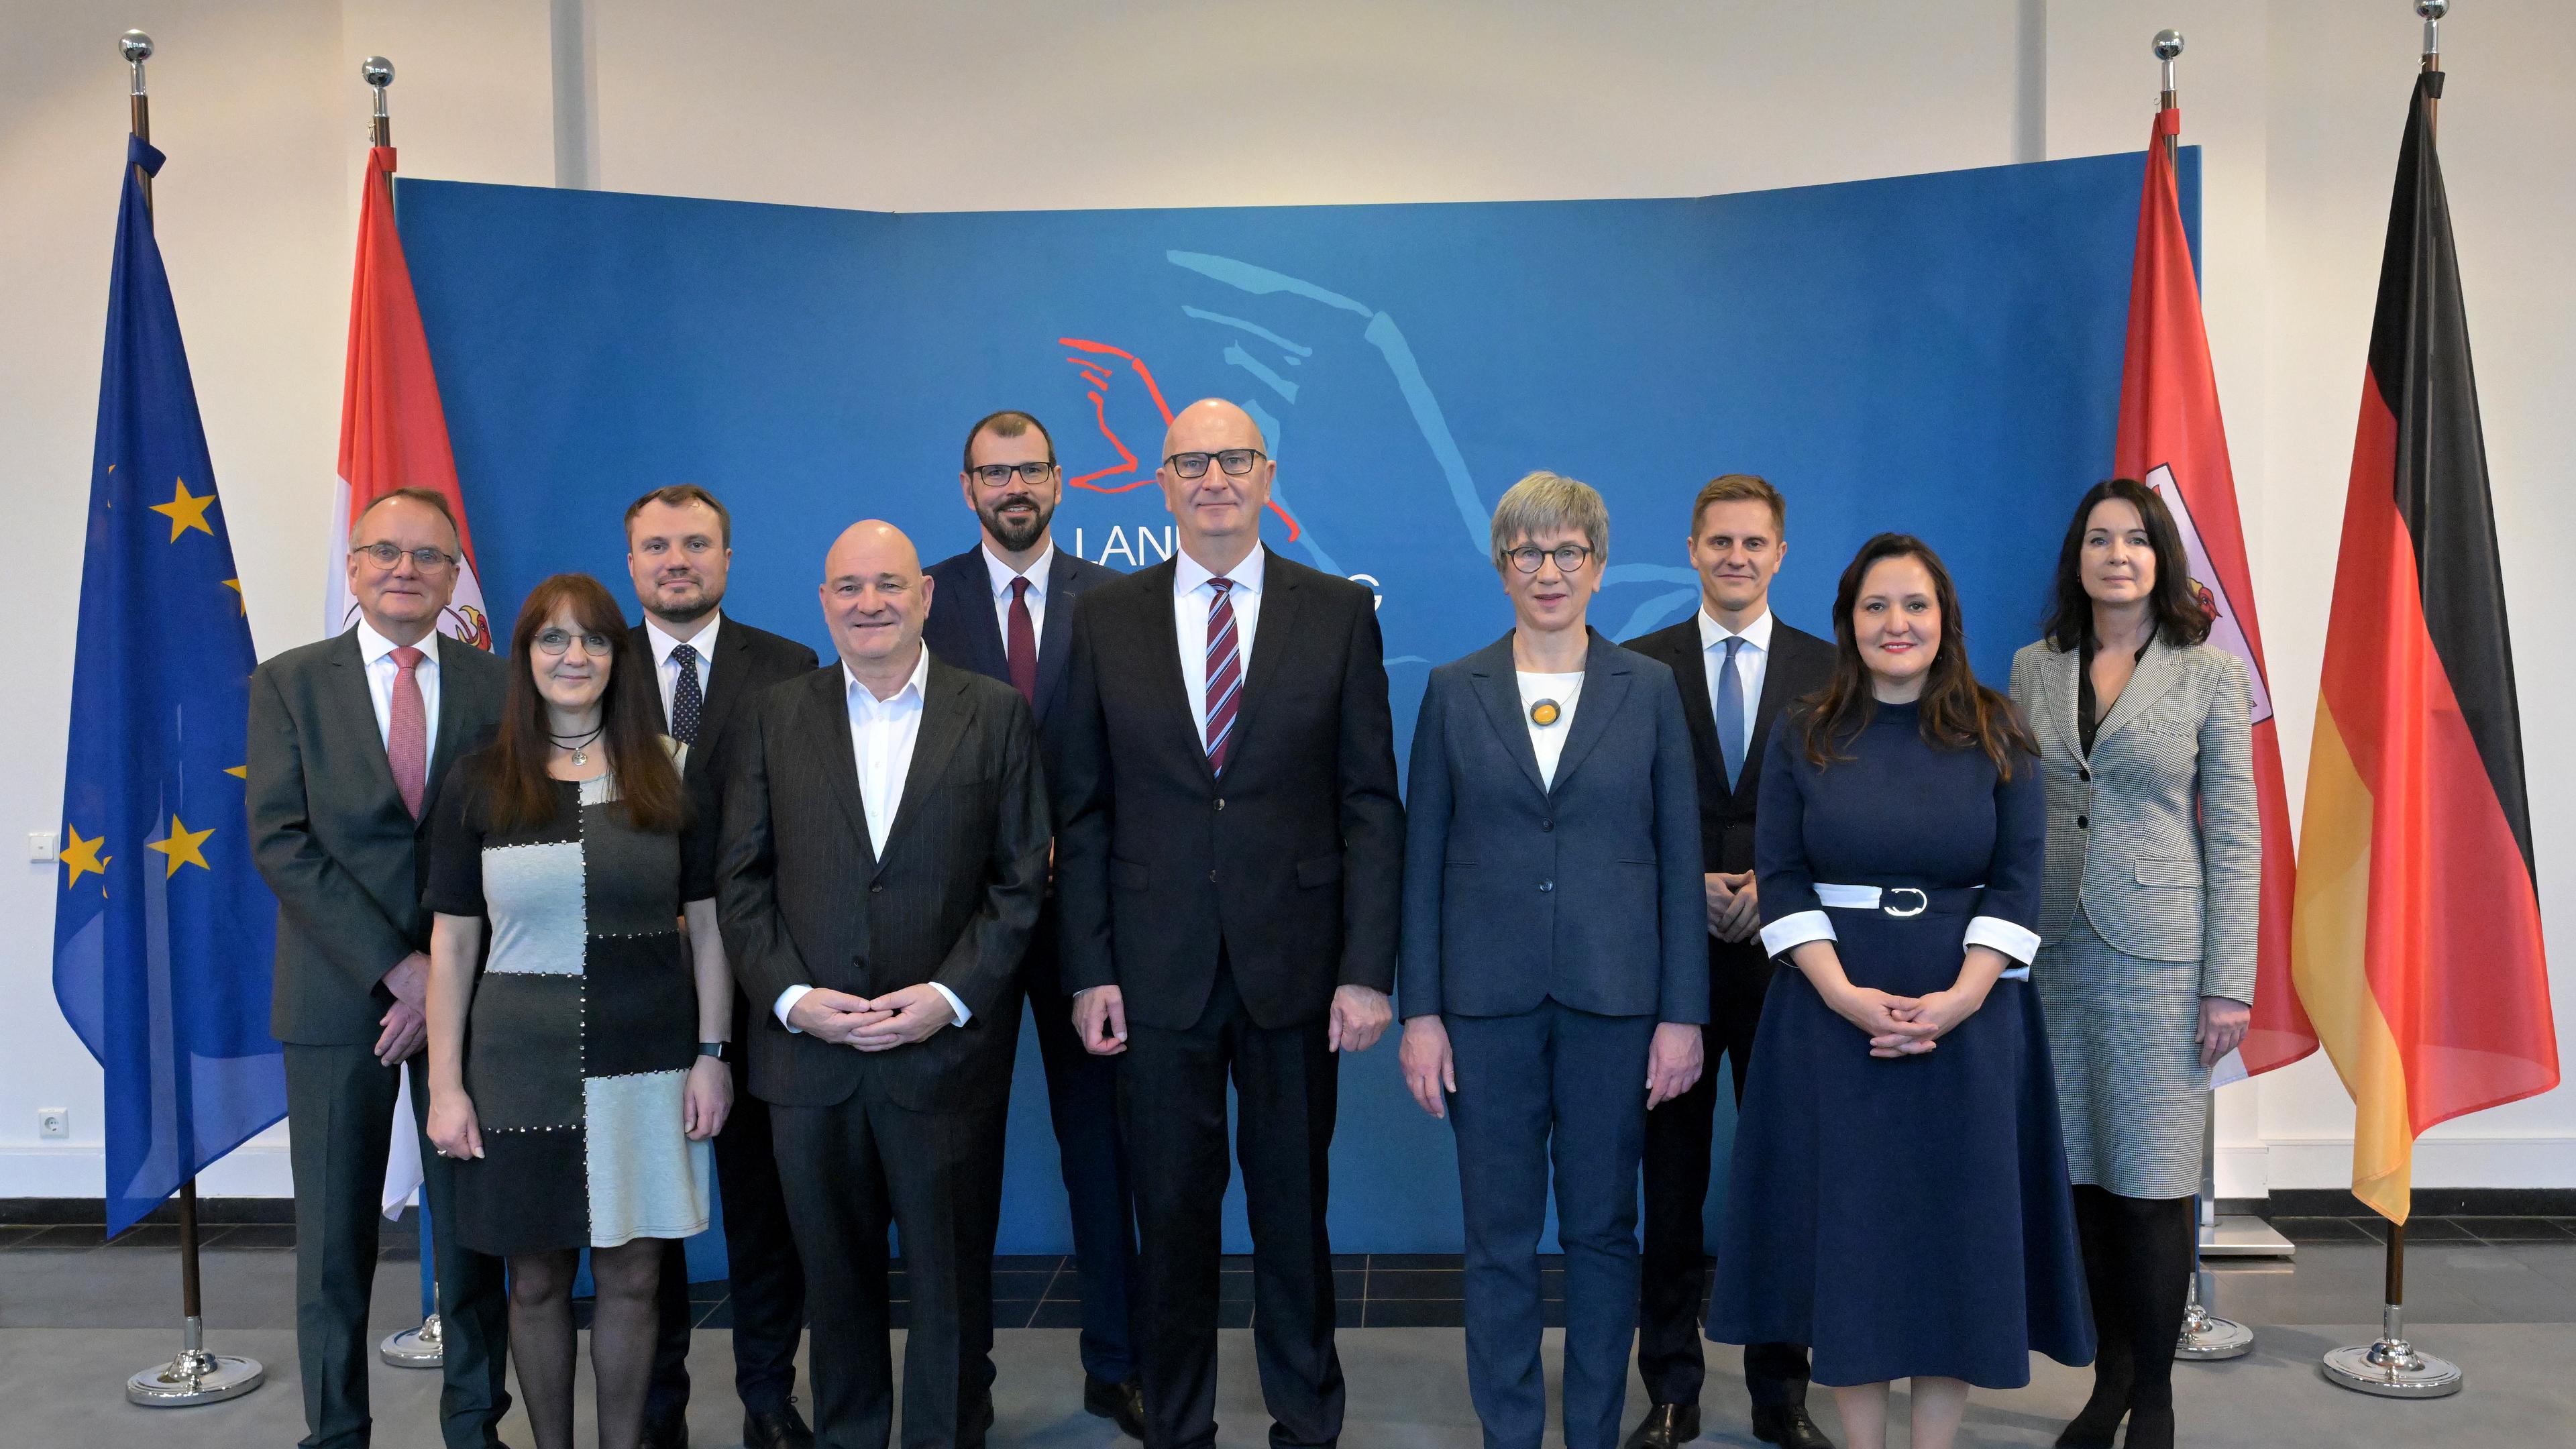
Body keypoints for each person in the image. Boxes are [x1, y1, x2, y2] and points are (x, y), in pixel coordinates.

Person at [1055, 398, 1405, 1449]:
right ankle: (1181, 1425)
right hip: (1153, 974)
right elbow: (1080, 805)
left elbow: (1369, 805)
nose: (1213, 478)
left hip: (1298, 970)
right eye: (1191, 461)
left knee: (1294, 1215)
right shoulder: (1105, 617)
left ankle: (1306, 1420)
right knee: (1170, 1217)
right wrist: (1089, 968)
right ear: (1160, 483)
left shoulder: (1338, 612)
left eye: (1234, 459)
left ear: (1267, 476)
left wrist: (1366, 969)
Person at [1707, 534, 2092, 1449]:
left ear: (1944, 621)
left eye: (1915, 605)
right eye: (1877, 606)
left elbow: (2017, 880)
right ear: (1849, 622)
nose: (1897, 623)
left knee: (1952, 1244)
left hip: (1970, 1025)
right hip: (1830, 1023)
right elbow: (1784, 875)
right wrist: (1842, 994)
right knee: (1855, 1244)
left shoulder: (1998, 732)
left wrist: (1961, 999)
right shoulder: (1807, 734)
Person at [718, 520, 1050, 1449]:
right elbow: (740, 882)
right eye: (850, 587)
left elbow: (1021, 883)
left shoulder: (994, 714)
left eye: (890, 585)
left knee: (949, 1285)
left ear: (927, 597)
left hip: (942, 1057)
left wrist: (946, 998)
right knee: (836, 1282)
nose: (871, 603)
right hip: (808, 1061)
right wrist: (791, 1000)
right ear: (823, 602)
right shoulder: (775, 715)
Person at [1396, 472, 1707, 1449]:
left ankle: (1593, 1433)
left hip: (1616, 1005)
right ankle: (1511, 1433)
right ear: (1501, 568)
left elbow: (1677, 857)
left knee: (1604, 1236)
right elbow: (1423, 863)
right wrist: (1421, 1013)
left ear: (1600, 568)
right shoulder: (1453, 691)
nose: (1548, 570)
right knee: (1496, 1243)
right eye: (1528, 553)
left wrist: (1682, 1015)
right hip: (1483, 1009)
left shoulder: (1649, 690)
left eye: (1568, 551)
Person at [421, 573, 733, 1449]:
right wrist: (446, 1086)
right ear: (524, 657)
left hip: (648, 1059)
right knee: (535, 1281)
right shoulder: (480, 779)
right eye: (552, 639)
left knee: (636, 1279)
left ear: (616, 657)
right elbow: (451, 944)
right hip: (519, 1067)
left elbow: (709, 928)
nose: (574, 656)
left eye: (593, 639)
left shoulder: (667, 773)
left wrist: (716, 1052)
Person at [247, 486, 513, 1449]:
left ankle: (476, 1424)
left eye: (429, 557)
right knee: (332, 1246)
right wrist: (398, 973)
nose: (407, 569)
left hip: (472, 1007)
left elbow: (509, 841)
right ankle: (337, 1434)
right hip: (335, 1002)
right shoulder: (289, 682)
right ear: (354, 568)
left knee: (473, 1238)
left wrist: (442, 980)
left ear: (453, 578)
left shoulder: (498, 684)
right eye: (386, 553)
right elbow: (281, 843)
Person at [2008, 480, 2256, 1449]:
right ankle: (2106, 1384)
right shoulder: (2035, 667)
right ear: (2077, 557)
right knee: (2081, 1185)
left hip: (2162, 956)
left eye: (2136, 541)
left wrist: (2227, 980)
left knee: (2150, 1186)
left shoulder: (2207, 673)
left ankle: (2153, 1400)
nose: (2117, 555)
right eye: (2099, 540)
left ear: (2162, 559)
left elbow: (2233, 836)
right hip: (2054, 956)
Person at [920, 411, 1143, 1439]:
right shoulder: (922, 599)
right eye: (994, 473)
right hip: (958, 932)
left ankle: (1119, 1366)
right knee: (957, 1164)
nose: (1015, 487)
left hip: (1089, 930)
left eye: (1032, 471)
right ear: (967, 487)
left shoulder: (1119, 602)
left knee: (1102, 1154)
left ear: (1063, 483)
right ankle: (962, 1379)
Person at [1620, 475, 1836, 1449]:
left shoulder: (1833, 671)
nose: (1737, 558)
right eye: (1719, 543)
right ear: (1693, 550)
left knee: (1786, 1180)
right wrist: (1691, 883)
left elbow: (1849, 819)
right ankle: (1670, 1387)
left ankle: (1780, 1394)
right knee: (1669, 1184)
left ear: (1781, 554)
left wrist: (1774, 890)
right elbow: (1614, 820)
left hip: (1793, 965)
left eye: (1755, 543)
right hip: (1672, 961)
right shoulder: (1636, 667)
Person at [623, 484, 824, 1449]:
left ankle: (767, 1400)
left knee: (763, 1211)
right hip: (631, 982)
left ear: (728, 559)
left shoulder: (788, 667)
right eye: (657, 546)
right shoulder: (588, 665)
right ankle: (658, 1410)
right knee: (647, 1221)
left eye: (696, 544)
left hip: (751, 979)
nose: (677, 561)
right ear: (632, 564)